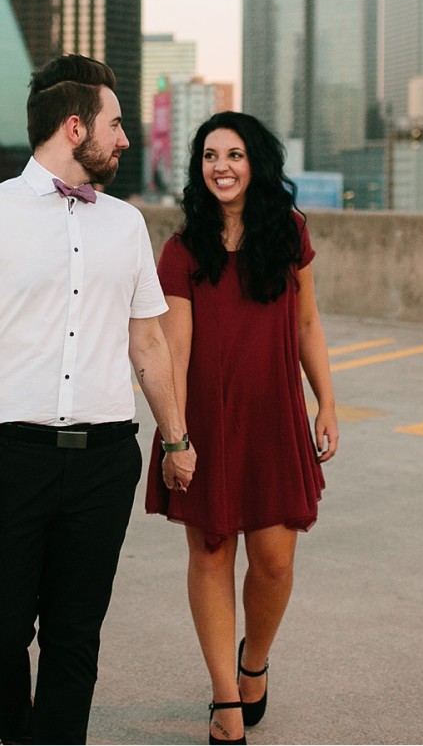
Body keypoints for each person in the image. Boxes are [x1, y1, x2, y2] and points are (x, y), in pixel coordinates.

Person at [0, 54, 198, 745]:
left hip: (104, 460)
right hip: (9, 458)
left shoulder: (127, 225)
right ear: (75, 125)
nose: (125, 140)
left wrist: (175, 438)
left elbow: (150, 345)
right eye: (115, 124)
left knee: (75, 636)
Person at [145, 111, 339, 744]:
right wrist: (176, 436)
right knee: (210, 552)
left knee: (275, 561)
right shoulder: (181, 250)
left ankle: (253, 661)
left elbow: (308, 324)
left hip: (275, 417)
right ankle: (226, 699)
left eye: (233, 154)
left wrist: (327, 404)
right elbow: (174, 351)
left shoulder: (289, 232)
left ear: (256, 162)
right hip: (206, 423)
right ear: (198, 169)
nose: (220, 166)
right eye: (209, 156)